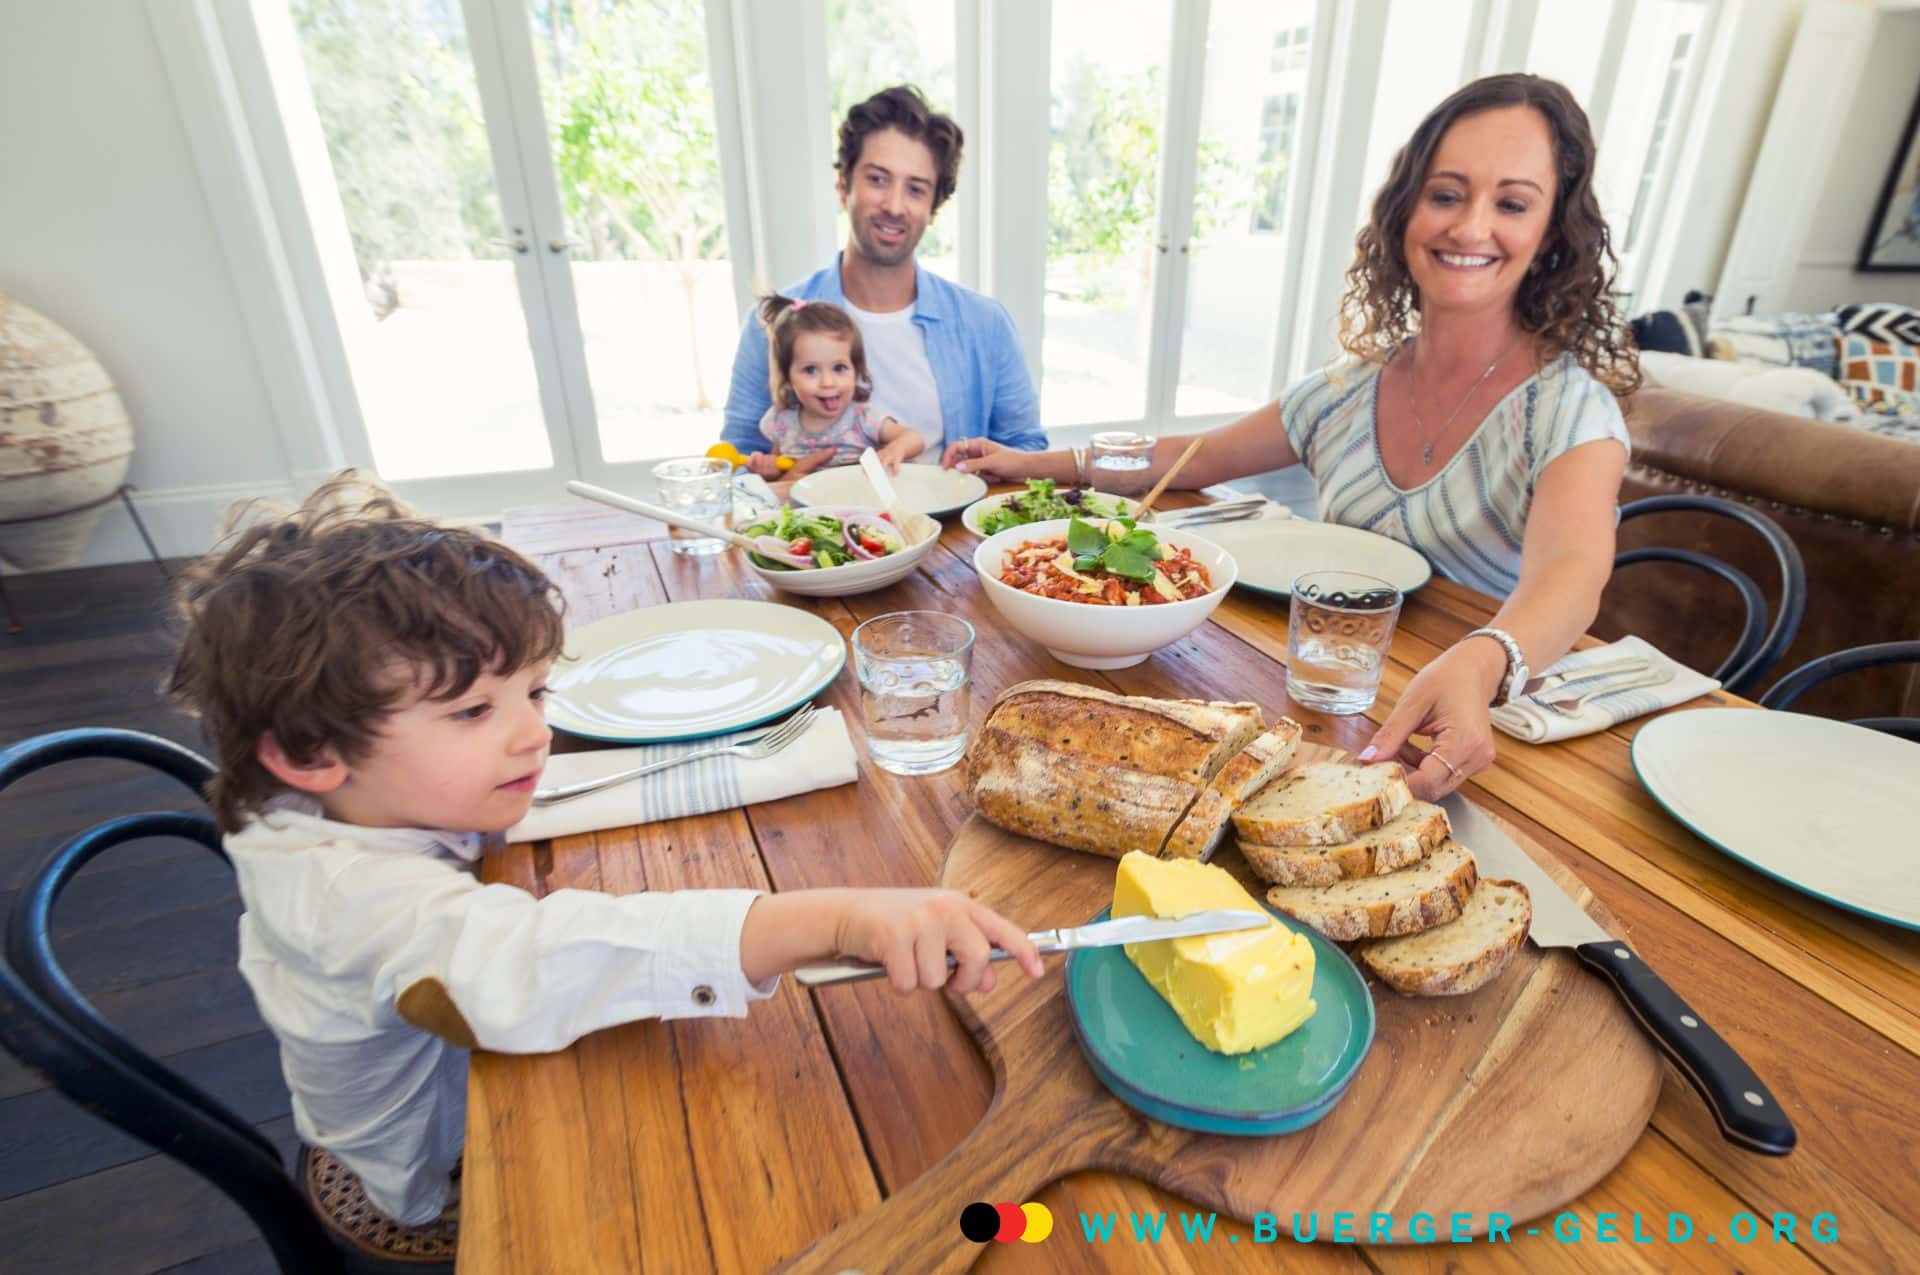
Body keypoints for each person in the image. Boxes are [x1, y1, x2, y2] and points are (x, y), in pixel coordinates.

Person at [165, 476, 1043, 1238]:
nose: (533, 731)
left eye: (536, 690)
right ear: (310, 751)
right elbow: (530, 964)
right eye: (474, 711)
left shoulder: (362, 786)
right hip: (432, 1165)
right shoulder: (336, 892)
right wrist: (834, 916)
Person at [945, 74, 1638, 802]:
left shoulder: (1572, 412)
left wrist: (1482, 659)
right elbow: (1195, 457)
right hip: (1323, 710)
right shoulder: (1348, 388)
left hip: (1472, 739)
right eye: (1446, 194)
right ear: (1406, 211)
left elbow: (1573, 573)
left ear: (1554, 231)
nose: (1470, 227)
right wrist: (1042, 463)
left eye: (1512, 203)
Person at [720, 85, 1047, 463]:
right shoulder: (774, 323)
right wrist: (779, 479)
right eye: (877, 179)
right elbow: (738, 461)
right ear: (843, 187)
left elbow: (1027, 453)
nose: (894, 205)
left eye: (915, 189)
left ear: (933, 209)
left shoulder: (984, 324)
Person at [742, 294, 926, 479]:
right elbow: (782, 470)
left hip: (861, 505)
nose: (827, 382)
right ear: (788, 377)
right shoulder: (781, 421)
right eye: (810, 370)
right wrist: (768, 470)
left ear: (856, 371)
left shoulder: (863, 418)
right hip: (806, 507)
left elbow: (914, 438)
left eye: (839, 368)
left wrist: (893, 450)